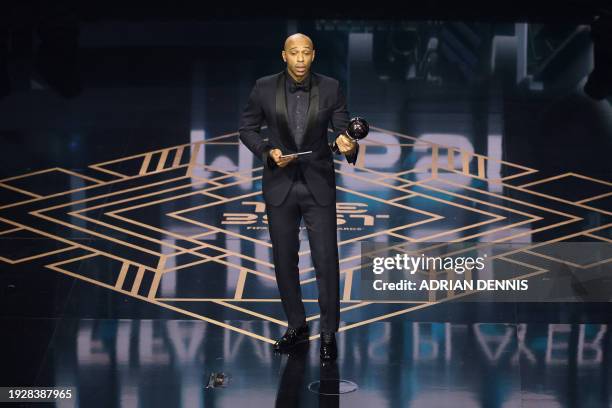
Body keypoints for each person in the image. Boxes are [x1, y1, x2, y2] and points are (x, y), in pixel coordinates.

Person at [238, 33, 360, 361]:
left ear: (314, 55)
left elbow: (342, 130)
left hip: (318, 183)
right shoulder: (264, 87)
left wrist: (349, 144)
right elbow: (247, 129)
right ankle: (297, 325)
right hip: (280, 184)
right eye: (295, 53)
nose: (301, 58)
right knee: (283, 261)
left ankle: (329, 332)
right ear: (284, 55)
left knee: (326, 261)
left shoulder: (331, 87)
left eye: (306, 52)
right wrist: (267, 152)